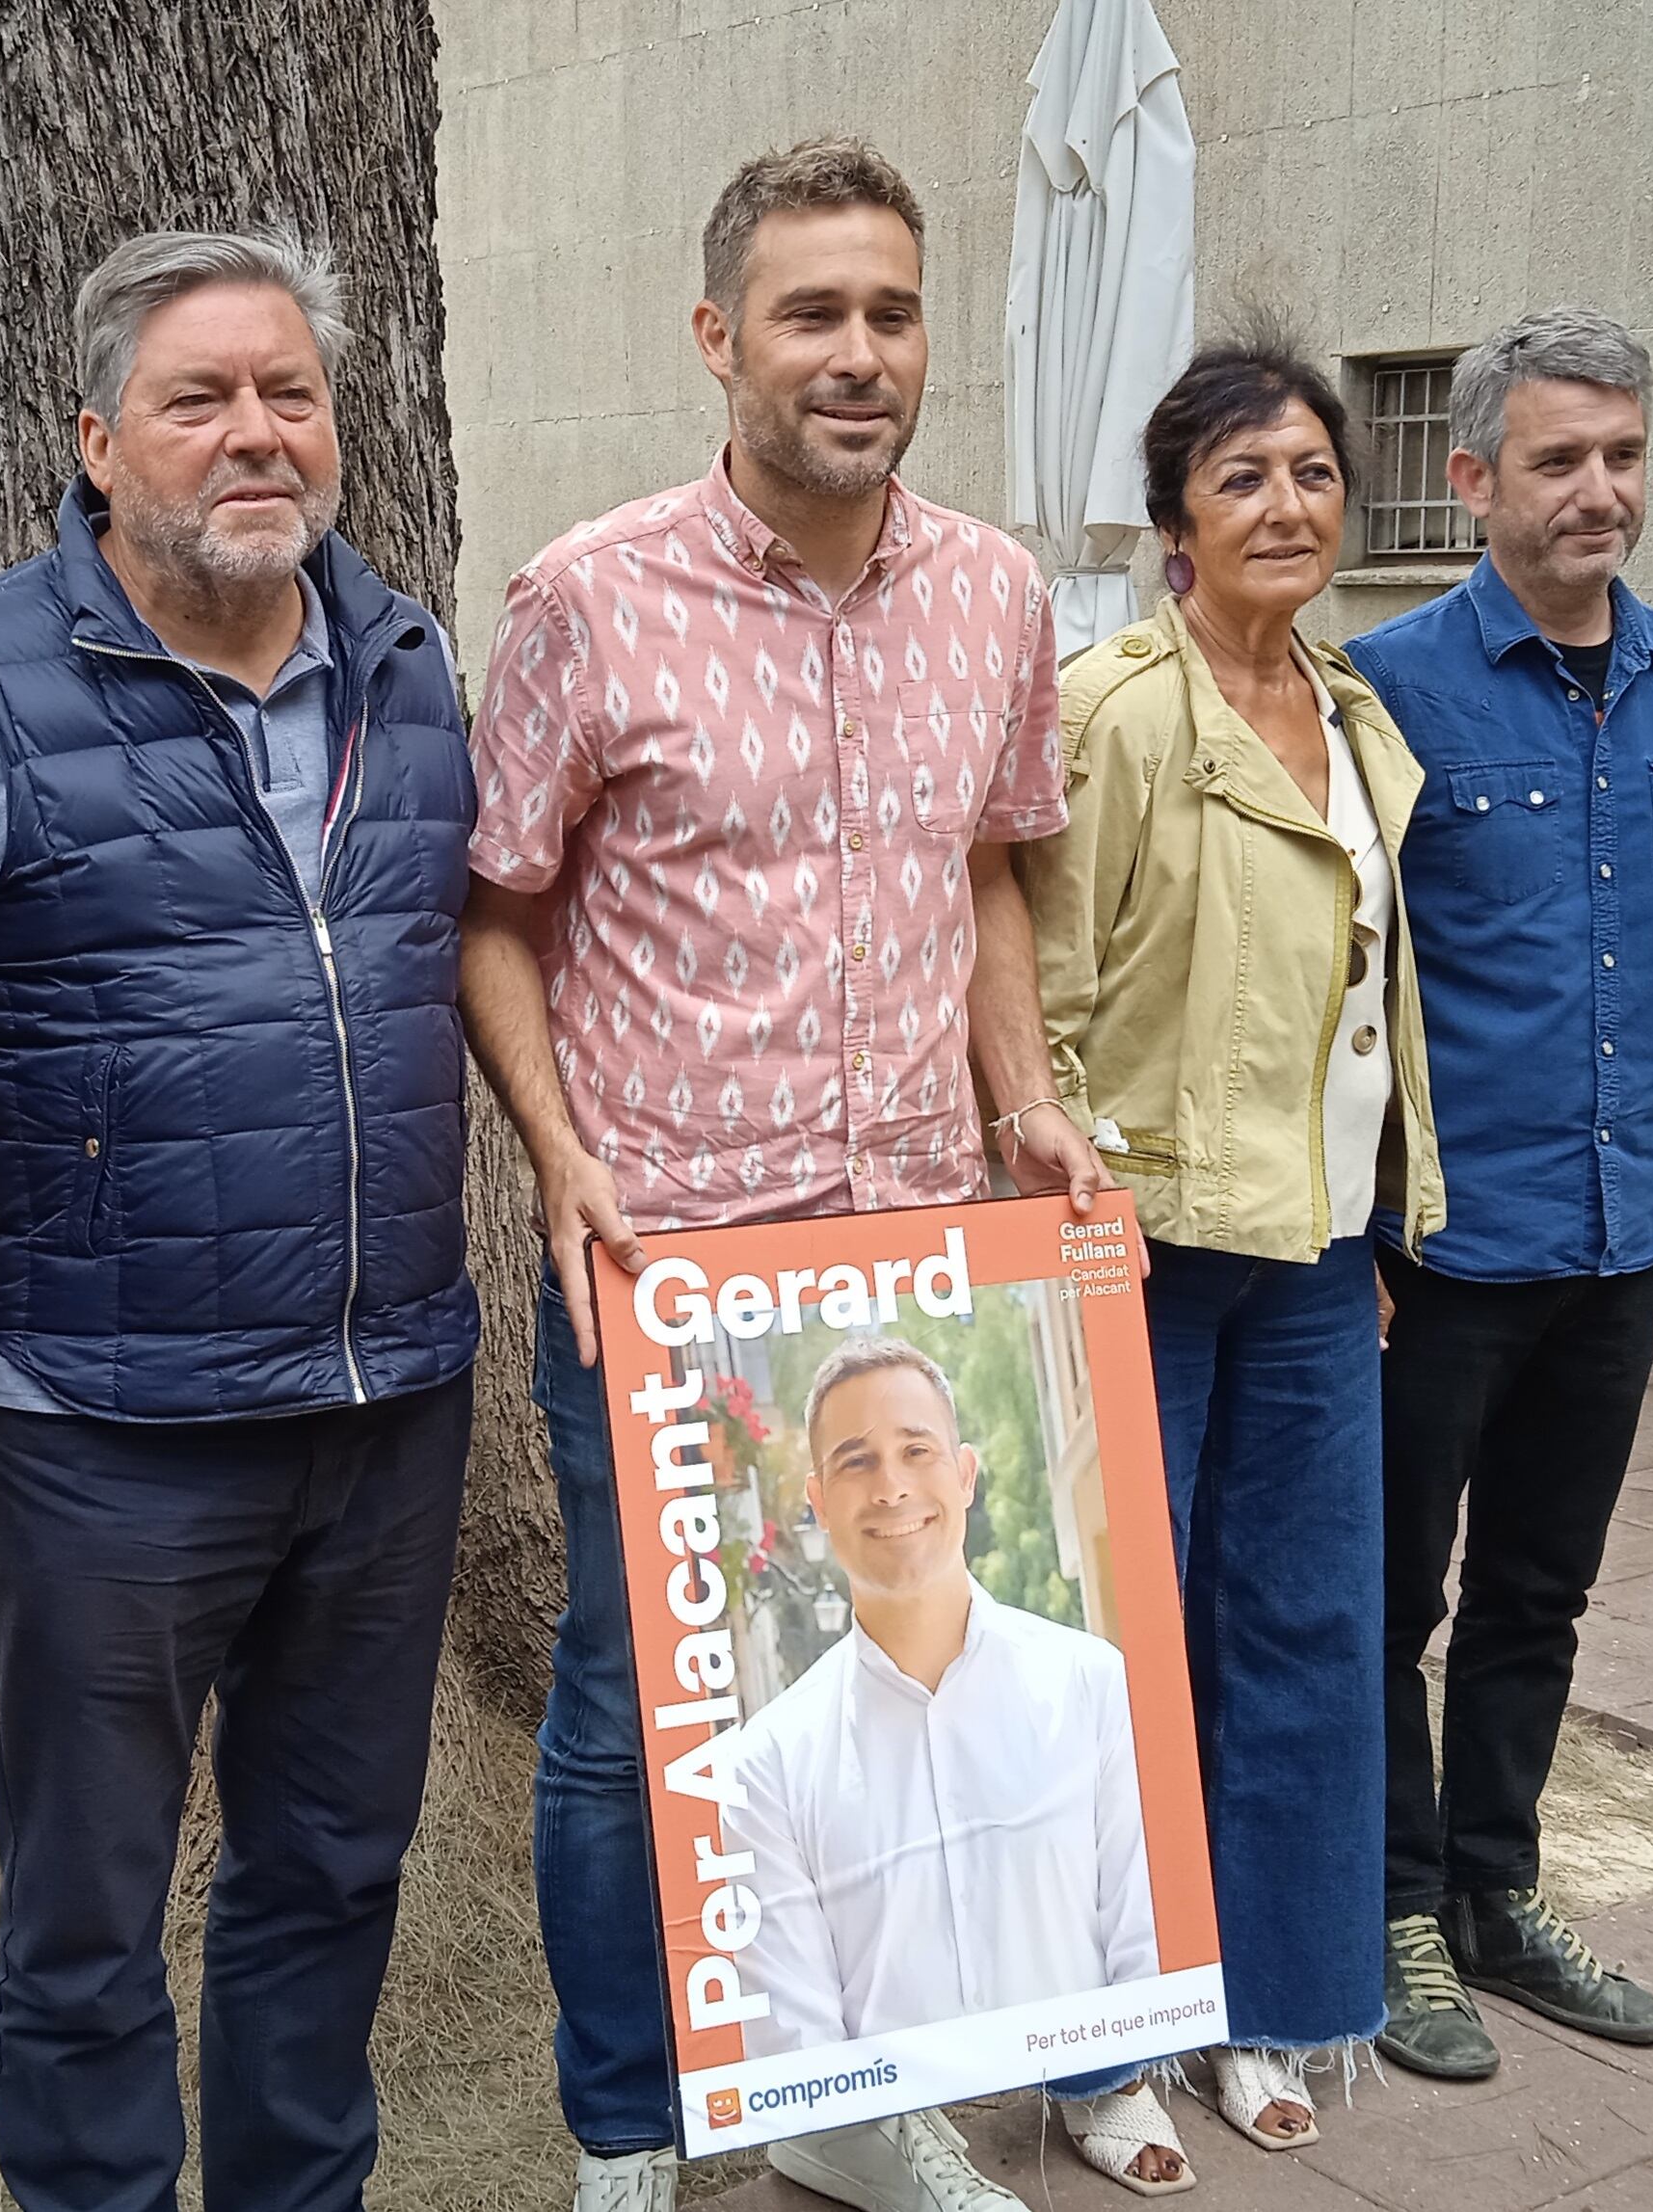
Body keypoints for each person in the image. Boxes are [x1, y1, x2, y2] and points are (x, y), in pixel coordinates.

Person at [463, 137, 1109, 2212]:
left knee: (877, 1690)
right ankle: (629, 2120)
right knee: (635, 1705)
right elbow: (497, 911)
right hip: (669, 1259)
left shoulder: (997, 593)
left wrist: (1024, 1100)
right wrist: (558, 1158)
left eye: (891, 313)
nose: (858, 353)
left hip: (916, 1254)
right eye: (813, 313)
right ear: (718, 335)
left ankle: (858, 2089)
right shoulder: (587, 595)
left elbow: (994, 872)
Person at [0, 228, 478, 2212]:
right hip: (100, 1426)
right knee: (87, 1917)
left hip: (386, 1401)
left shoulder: (410, 659)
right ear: (100, 440)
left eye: (289, 393)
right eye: (200, 399)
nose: (254, 434)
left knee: (332, 1871)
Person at [1020, 335, 1447, 2197]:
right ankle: (1098, 2048)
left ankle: (1265, 2001)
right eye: (1244, 479)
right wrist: (1061, 1224)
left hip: (1308, 1259)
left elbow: (1368, 1009)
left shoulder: (1357, 717)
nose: (1288, 507)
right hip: (1138, 1249)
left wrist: (1371, 1225)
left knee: (1306, 1638)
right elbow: (1039, 995)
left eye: (1313, 476)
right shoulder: (1111, 707)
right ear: (1174, 520)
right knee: (1113, 1655)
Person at [1349, 307, 1653, 2081]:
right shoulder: (1389, 688)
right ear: (1469, 478)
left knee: (1540, 1591)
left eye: (1625, 456)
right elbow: (1339, 975)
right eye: (1558, 459)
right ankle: (1394, 1914)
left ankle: (1503, 1900)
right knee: (1389, 1600)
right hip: (1439, 1249)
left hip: (1619, 1235)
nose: (1600, 491)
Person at [725, 1340, 1158, 2056]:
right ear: (818, 1503)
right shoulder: (766, 1764)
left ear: (964, 1475)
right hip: (898, 2153)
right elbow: (796, 2050)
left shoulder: (1091, 1685)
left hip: (1103, 2113)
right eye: (855, 1461)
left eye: (916, 1450)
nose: (890, 1487)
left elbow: (1145, 1948)